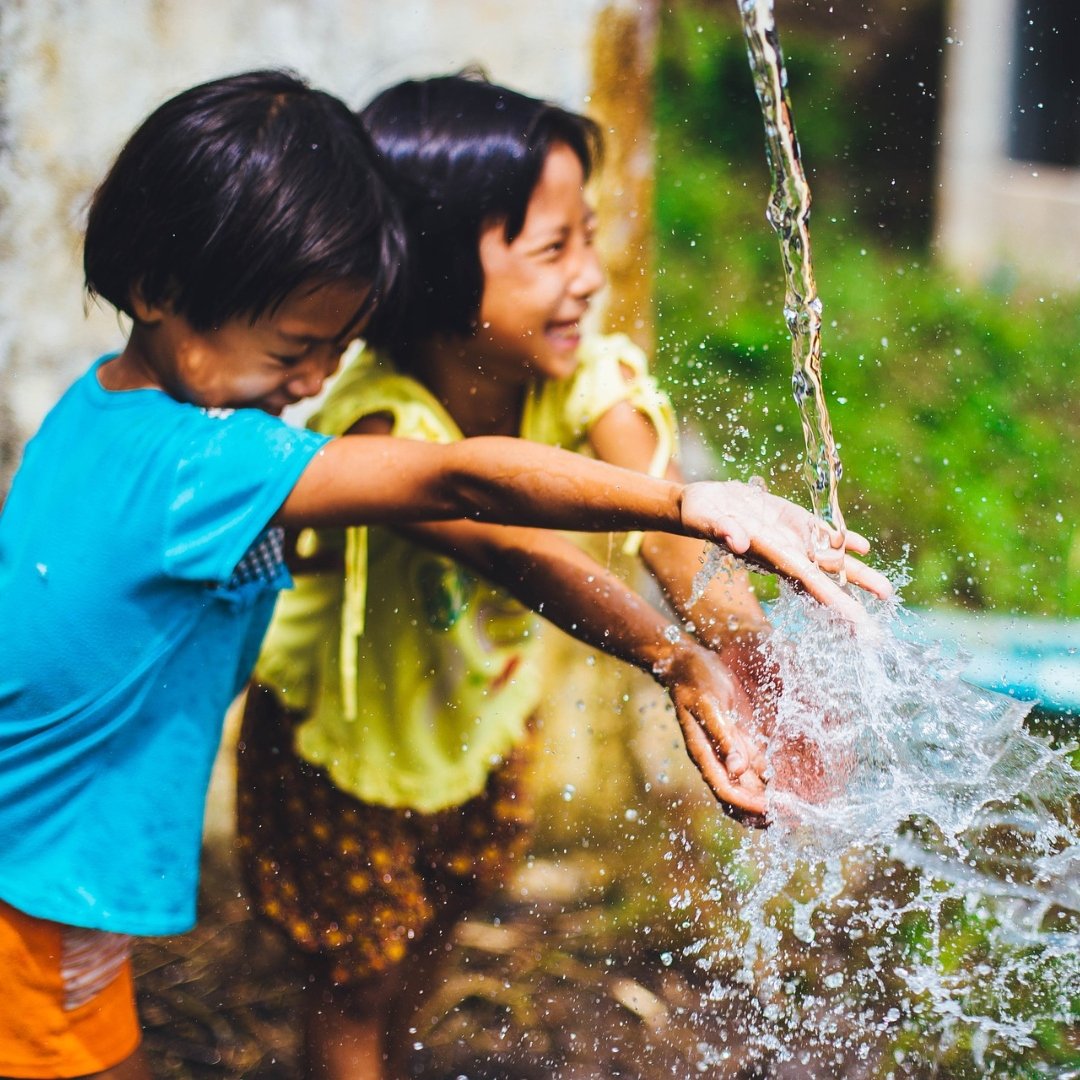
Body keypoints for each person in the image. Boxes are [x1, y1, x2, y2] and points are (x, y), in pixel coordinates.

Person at [0, 70, 888, 1080]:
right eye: (295, 348)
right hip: (37, 859)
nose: (312, 385)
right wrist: (687, 503)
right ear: (159, 293)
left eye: (333, 350)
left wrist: (714, 642)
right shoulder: (201, 461)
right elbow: (465, 483)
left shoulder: (109, 410)